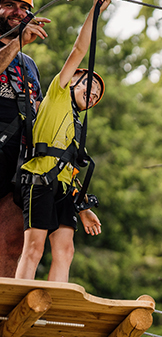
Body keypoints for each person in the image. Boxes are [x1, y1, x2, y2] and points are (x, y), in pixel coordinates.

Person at [14, 0, 108, 282]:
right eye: (90, 87)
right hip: (39, 180)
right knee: (34, 247)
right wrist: (96, 11)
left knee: (65, 250)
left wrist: (85, 208)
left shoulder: (77, 127)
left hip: (64, 189)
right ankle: (16, 302)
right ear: (76, 78)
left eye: (96, 97)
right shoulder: (58, 93)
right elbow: (81, 49)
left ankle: (54, 307)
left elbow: (72, 168)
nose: (92, 96)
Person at [0, 0, 49, 277]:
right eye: (9, 4)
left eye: (24, 6)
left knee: (11, 244)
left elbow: (38, 109)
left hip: (19, 159)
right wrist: (17, 42)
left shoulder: (29, 64)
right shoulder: (14, 48)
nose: (18, 11)